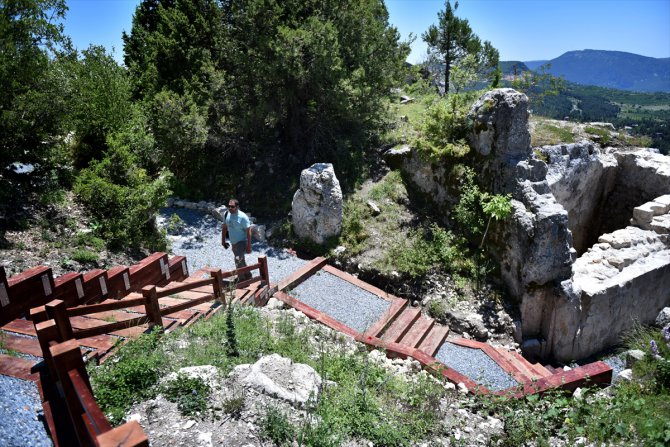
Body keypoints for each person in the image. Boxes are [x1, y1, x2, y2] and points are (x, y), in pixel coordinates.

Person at [221, 199, 252, 281]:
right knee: (241, 260)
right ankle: (248, 275)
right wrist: (223, 241)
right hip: (233, 243)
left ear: (237, 207)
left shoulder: (242, 217)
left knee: (237, 259)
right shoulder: (226, 214)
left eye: (232, 207)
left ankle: (241, 278)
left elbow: (249, 231)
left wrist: (249, 246)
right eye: (229, 206)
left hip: (241, 242)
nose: (230, 208)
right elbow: (224, 227)